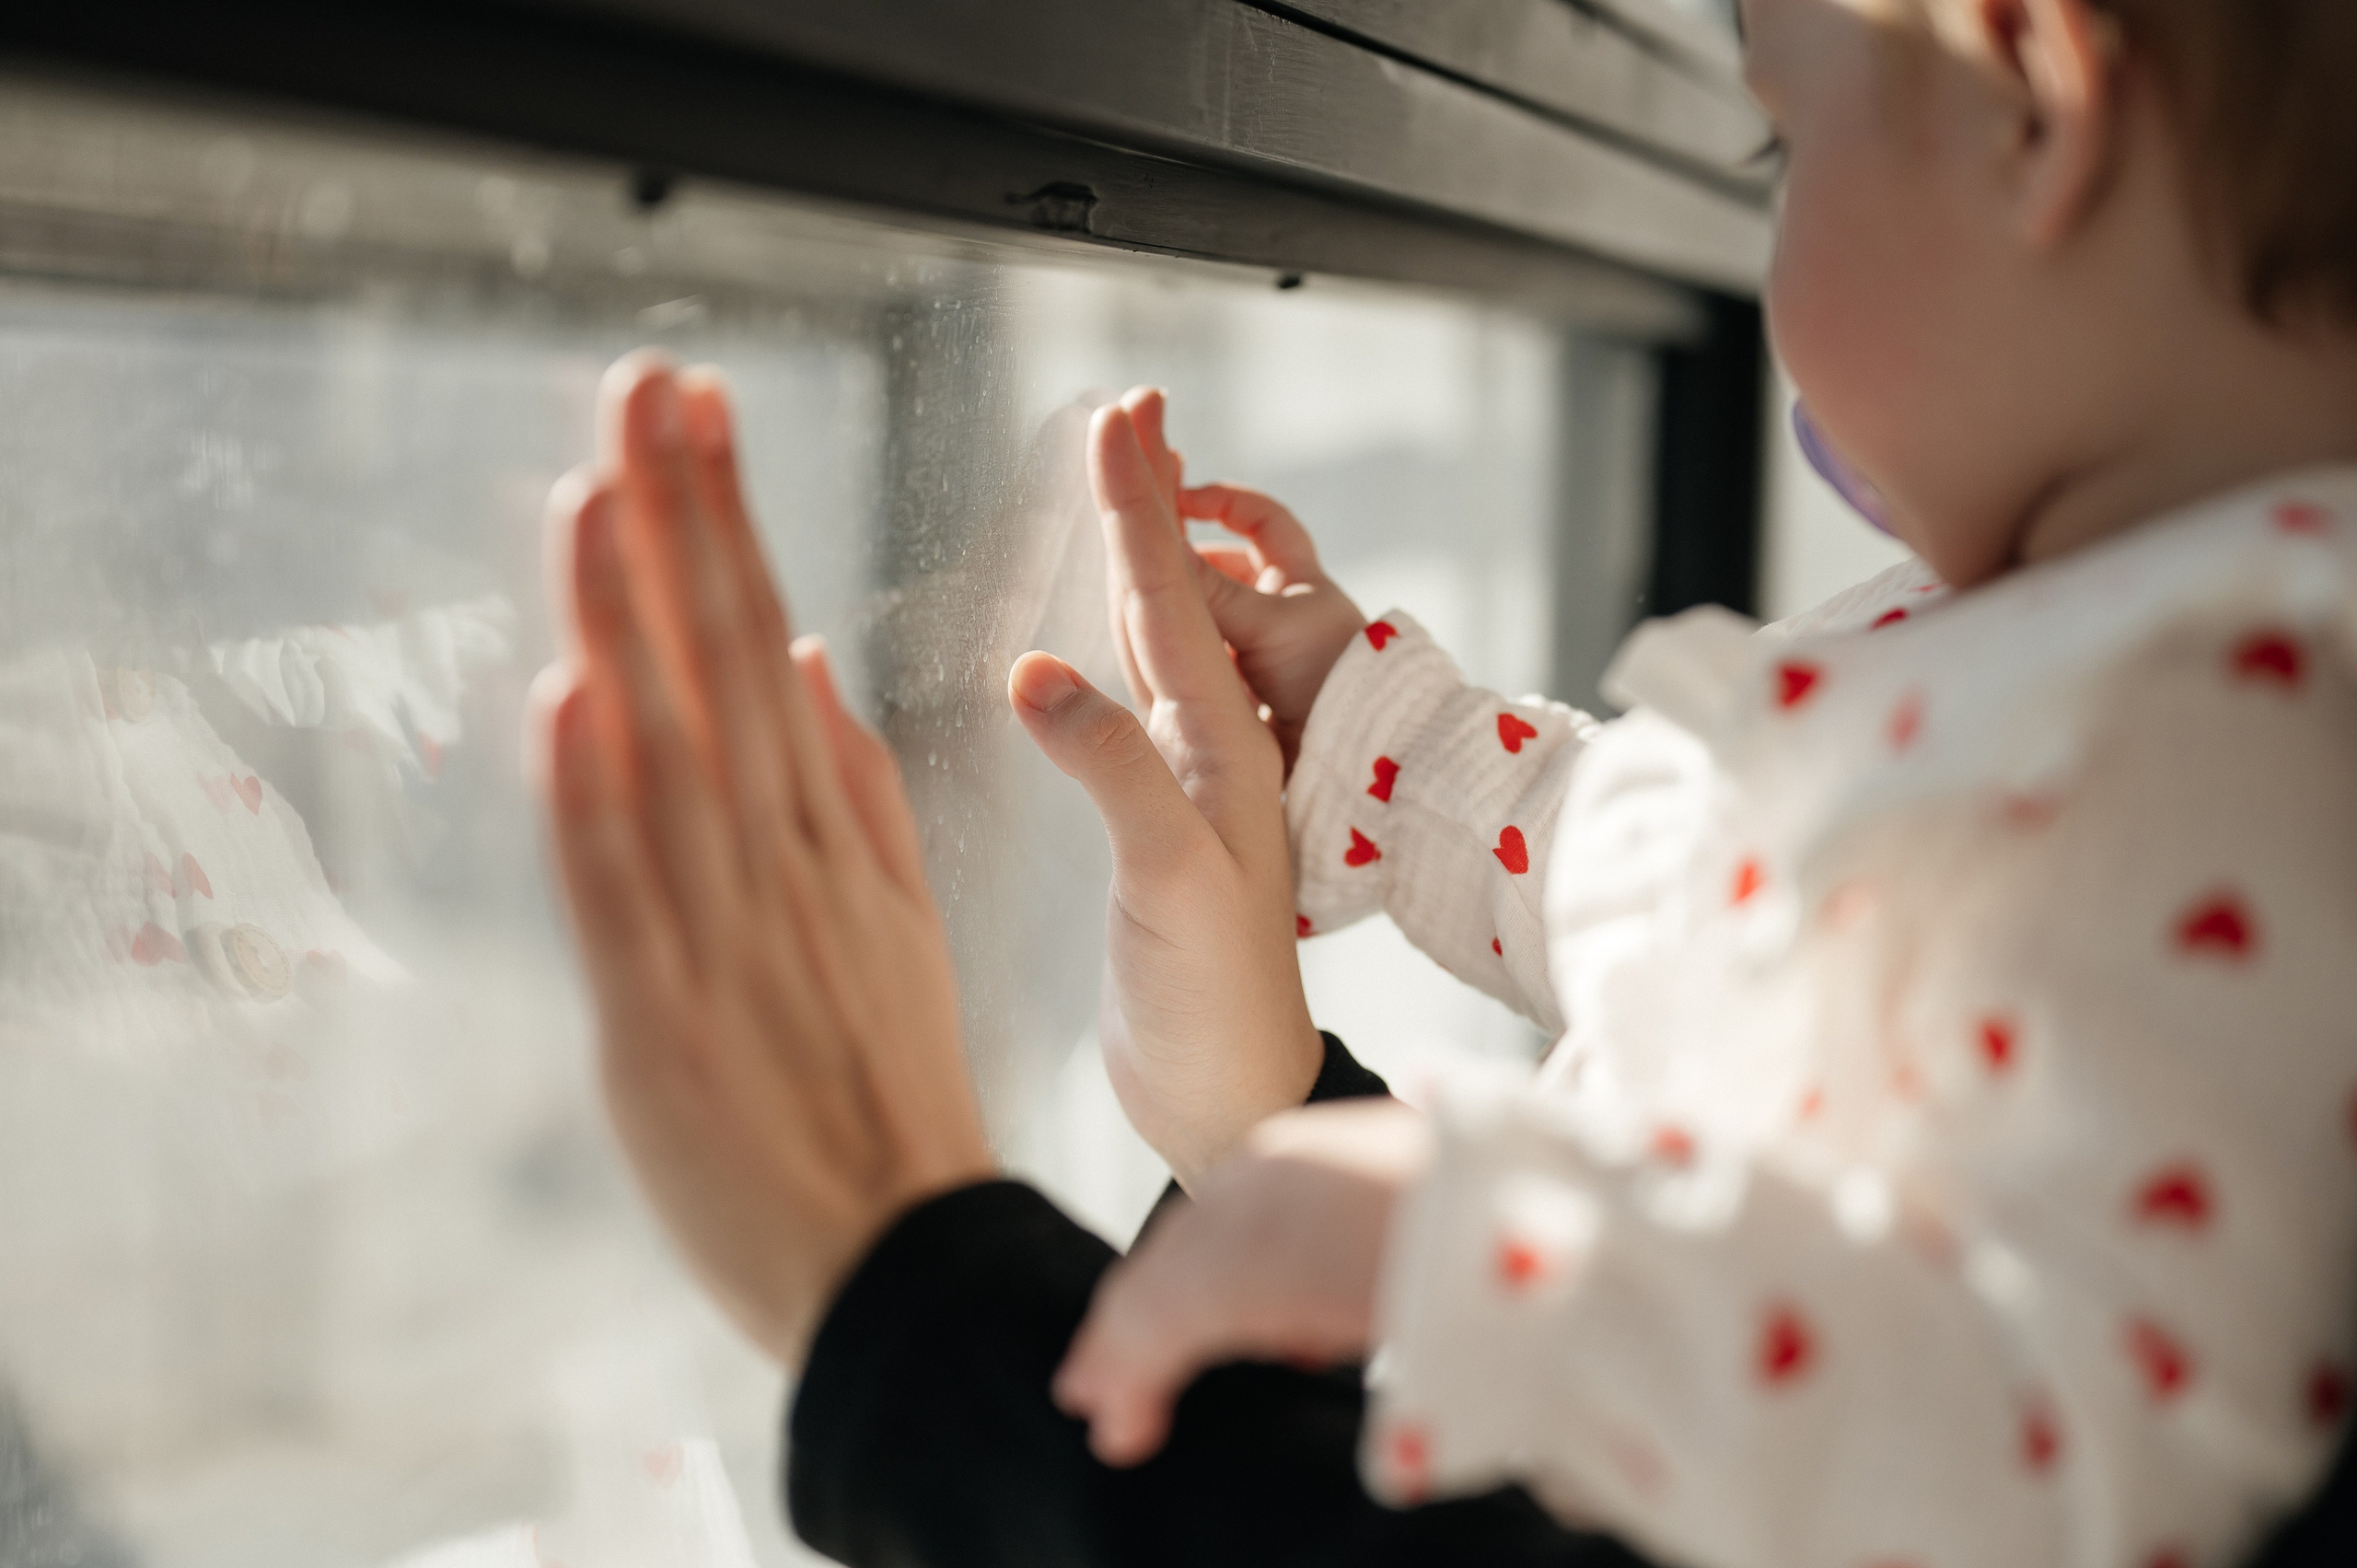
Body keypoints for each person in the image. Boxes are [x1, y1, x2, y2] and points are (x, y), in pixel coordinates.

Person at [525, 0, 2357, 1564]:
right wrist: (1361, 756)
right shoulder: (2108, 646)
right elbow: (1713, 908)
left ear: (2032, 98)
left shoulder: (2243, 726)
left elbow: (2029, 1461)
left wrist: (1497, 1238)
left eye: (1781, 145)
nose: (1774, 235)